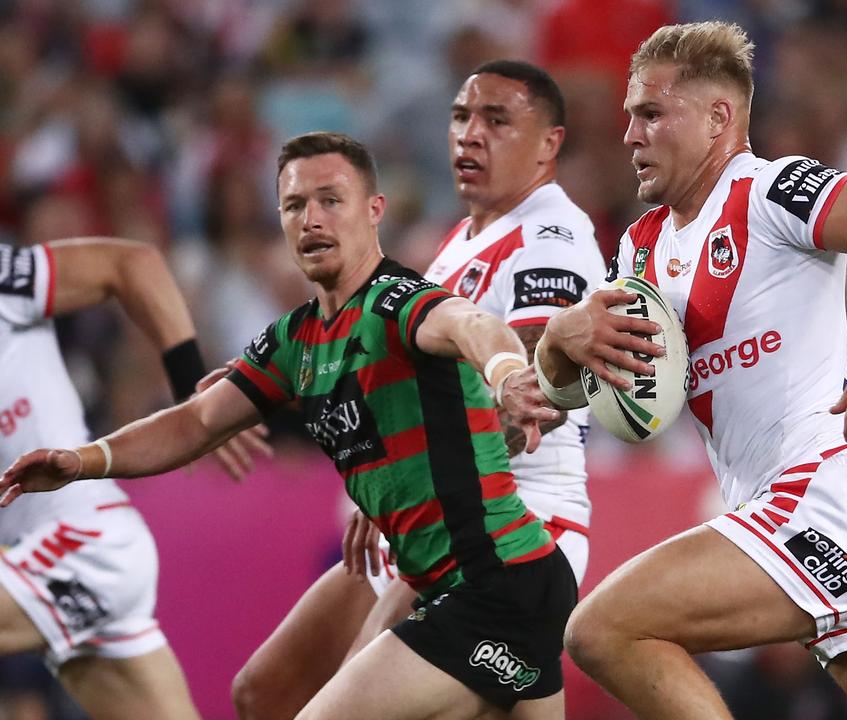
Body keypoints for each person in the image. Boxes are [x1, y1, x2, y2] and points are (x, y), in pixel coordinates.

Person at [1, 131, 576, 720]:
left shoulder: (395, 303)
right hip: (465, 586)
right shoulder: (293, 339)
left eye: (331, 200)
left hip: (498, 585)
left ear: (373, 211)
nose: (312, 220)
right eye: (295, 205)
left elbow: (467, 322)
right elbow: (197, 420)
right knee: (262, 692)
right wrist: (83, 461)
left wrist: (508, 374)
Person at [533, 22, 847, 719]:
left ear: (719, 117)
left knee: (602, 629)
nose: (630, 135)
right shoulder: (638, 250)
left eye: (652, 113)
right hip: (831, 521)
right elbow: (577, 394)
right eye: (630, 117)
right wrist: (558, 340)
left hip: (818, 500)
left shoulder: (769, 190)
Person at [230, 60, 604, 720]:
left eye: (497, 120)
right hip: (424, 520)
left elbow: (528, 397)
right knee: (266, 690)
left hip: (511, 521)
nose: (470, 135)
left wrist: (417, 473)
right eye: (462, 117)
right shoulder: (458, 241)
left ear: (549, 144)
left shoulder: (554, 239)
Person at [0, 236, 265, 719]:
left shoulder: (7, 281)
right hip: (43, 562)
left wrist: (195, 393)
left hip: (84, 542)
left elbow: (132, 264)